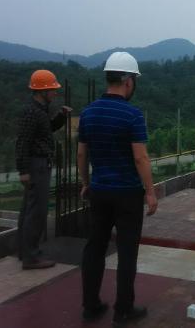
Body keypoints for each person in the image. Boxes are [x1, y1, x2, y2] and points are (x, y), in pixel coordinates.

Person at [78, 52, 158, 325]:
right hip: (127, 194)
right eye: (134, 80)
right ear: (128, 80)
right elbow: (140, 158)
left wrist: (86, 183)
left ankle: (90, 306)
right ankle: (123, 310)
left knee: (95, 247)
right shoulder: (132, 115)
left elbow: (82, 154)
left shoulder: (88, 112)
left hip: (99, 191)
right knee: (126, 252)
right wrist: (150, 192)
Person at [16, 69, 71, 269]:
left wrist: (61, 116)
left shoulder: (40, 110)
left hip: (39, 164)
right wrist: (23, 170)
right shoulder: (31, 112)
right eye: (52, 89)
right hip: (36, 164)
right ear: (43, 90)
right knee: (36, 212)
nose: (55, 93)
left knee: (30, 210)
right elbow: (23, 142)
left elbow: (47, 130)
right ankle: (31, 256)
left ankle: (25, 252)